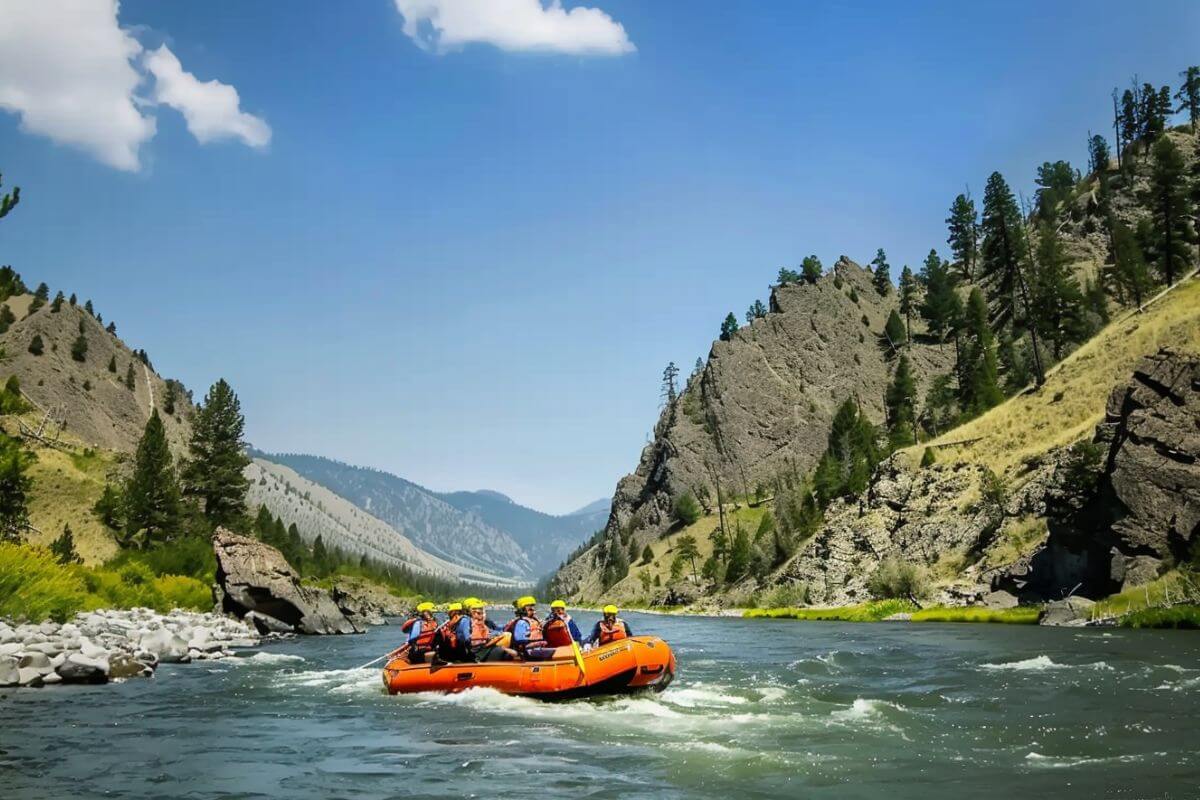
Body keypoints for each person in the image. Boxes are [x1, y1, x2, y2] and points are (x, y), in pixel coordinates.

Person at [509, 596, 556, 661]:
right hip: (527, 652)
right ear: (522, 611)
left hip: (537, 649)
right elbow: (520, 641)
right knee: (554, 652)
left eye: (533, 609)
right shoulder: (521, 622)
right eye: (530, 609)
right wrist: (536, 644)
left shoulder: (535, 620)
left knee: (556, 651)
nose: (534, 611)